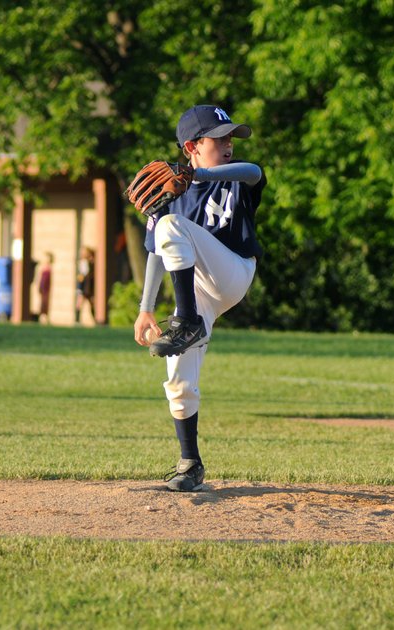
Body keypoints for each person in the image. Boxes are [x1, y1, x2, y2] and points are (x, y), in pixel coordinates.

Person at [132, 104, 266, 491]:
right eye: (219, 139)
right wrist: (145, 310)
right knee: (177, 377)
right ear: (192, 144)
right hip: (197, 291)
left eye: (230, 138)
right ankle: (190, 463)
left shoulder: (235, 177)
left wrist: (199, 174)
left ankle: (187, 322)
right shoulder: (169, 195)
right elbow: (157, 250)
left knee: (173, 225)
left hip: (233, 272)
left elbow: (254, 172)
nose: (229, 145)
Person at [75, 246, 95, 324]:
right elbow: (82, 275)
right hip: (84, 286)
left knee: (91, 304)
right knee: (79, 303)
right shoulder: (83, 263)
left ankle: (95, 320)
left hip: (89, 286)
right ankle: (77, 320)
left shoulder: (91, 262)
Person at [37, 252, 53, 324]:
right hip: (43, 288)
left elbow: (46, 280)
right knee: (43, 303)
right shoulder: (45, 268)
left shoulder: (49, 268)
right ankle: (42, 318)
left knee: (45, 303)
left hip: (46, 289)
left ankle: (44, 318)